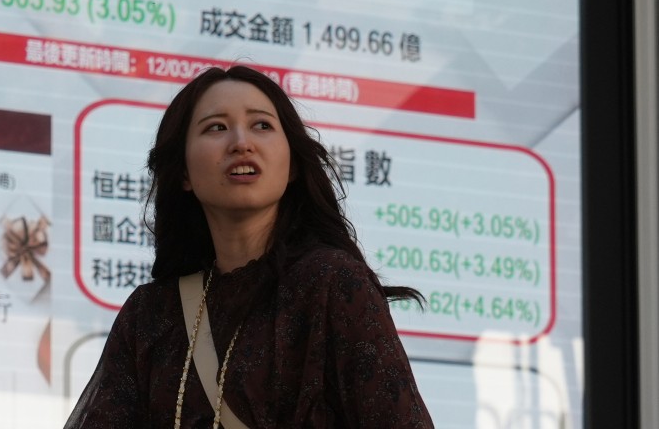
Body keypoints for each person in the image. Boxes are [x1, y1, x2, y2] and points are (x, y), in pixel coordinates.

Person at [65, 65, 433, 428]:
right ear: (184, 174)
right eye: (216, 128)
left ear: (291, 166)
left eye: (262, 125)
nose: (241, 142)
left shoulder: (332, 284)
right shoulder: (151, 316)